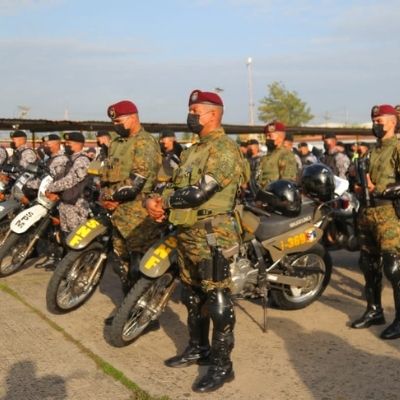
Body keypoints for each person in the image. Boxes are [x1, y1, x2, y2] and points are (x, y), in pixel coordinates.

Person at [145, 89, 245, 393]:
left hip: (213, 233)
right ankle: (199, 347)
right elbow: (175, 185)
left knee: (217, 299)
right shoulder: (193, 150)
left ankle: (222, 365)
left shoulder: (224, 150)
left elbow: (199, 192)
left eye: (196, 110)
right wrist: (156, 202)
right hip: (188, 231)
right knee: (192, 295)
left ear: (213, 114)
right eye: (190, 109)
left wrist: (162, 201)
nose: (190, 115)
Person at [351, 104, 400, 340]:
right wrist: (356, 184)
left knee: (392, 267)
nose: (375, 124)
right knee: (368, 265)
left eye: (380, 120)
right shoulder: (371, 151)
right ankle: (374, 310)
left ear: (392, 122)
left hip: (388, 214)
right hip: (367, 214)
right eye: (373, 120)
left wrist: (378, 189)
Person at [100, 100, 163, 295]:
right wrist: (105, 196)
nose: (115, 125)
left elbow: (138, 181)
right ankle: (127, 314)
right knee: (122, 264)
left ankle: (144, 314)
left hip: (139, 212)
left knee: (140, 266)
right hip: (118, 212)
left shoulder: (144, 142)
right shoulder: (117, 144)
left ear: (133, 118)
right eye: (113, 122)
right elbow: (107, 174)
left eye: (119, 121)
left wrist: (111, 196)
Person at [44, 132, 91, 258]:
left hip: (77, 205)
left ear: (78, 144)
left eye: (69, 143)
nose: (66, 146)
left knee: (76, 237)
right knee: (66, 236)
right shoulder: (70, 159)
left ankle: (79, 265)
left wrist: (51, 188)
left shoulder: (82, 160)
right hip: (66, 202)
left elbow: (71, 180)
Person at [256, 121, 298, 188]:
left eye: (270, 136)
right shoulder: (266, 157)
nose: (267, 138)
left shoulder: (286, 155)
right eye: (266, 136)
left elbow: (287, 184)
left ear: (280, 137)